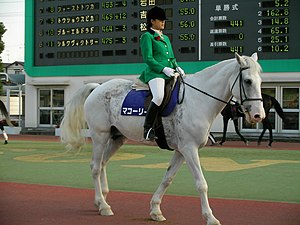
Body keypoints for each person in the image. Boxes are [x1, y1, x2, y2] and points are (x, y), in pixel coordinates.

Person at [139, 6, 185, 140]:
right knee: (158, 96)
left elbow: (171, 58)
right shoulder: (147, 36)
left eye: (164, 20)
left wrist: (177, 67)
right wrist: (162, 69)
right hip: (155, 73)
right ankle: (147, 128)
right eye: (160, 20)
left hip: (170, 72)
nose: (163, 22)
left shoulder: (165, 37)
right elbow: (148, 58)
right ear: (152, 21)